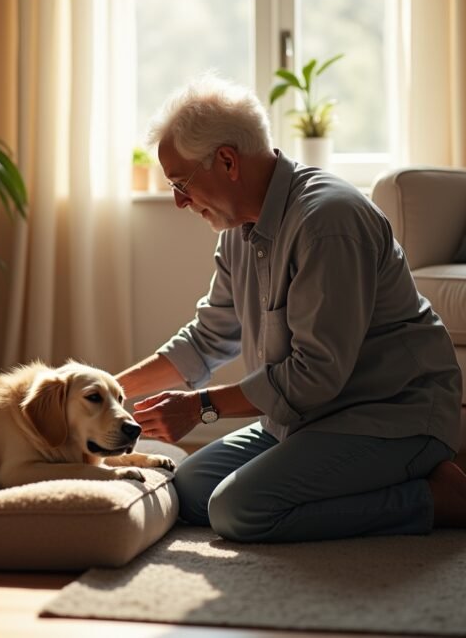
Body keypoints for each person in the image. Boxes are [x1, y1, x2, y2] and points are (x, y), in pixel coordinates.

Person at [116, 73, 466, 542]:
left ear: (226, 161)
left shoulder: (329, 221)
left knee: (238, 511)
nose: (180, 202)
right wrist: (106, 390)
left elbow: (315, 375)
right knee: (191, 491)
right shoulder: (236, 233)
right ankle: (364, 480)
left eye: (181, 183)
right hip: (305, 421)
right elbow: (208, 338)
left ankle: (436, 498)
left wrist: (201, 408)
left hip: (391, 415)